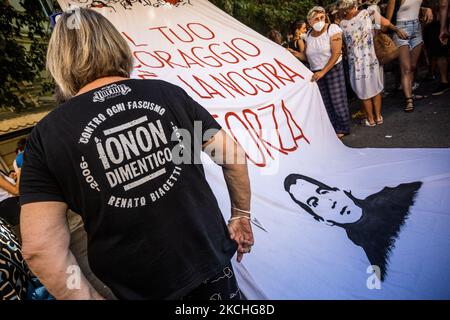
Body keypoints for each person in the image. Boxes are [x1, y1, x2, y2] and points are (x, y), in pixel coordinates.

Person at [19, 8, 253, 300]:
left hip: (140, 291)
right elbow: (231, 154)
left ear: (58, 62)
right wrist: (241, 215)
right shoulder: (166, 95)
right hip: (213, 271)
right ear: (115, 45)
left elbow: (41, 248)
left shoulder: (46, 136)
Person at [284, 173, 422, 281]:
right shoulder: (374, 256)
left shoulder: (397, 195)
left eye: (323, 192)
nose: (330, 202)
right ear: (323, 220)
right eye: (315, 203)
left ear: (341, 190)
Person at [338, 0, 408, 126]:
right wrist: (396, 30)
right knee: (374, 88)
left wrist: (392, 30)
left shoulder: (343, 23)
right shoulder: (367, 13)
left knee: (364, 91)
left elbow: (345, 45)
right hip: (369, 59)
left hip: (357, 63)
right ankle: (378, 117)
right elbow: (385, 23)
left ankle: (371, 120)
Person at [290, 6, 350, 138]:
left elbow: (336, 53)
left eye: (322, 17)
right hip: (316, 72)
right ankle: (333, 128)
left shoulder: (333, 29)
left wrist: (323, 72)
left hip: (332, 68)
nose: (320, 20)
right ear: (310, 22)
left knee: (337, 100)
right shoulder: (309, 35)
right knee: (325, 103)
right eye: (316, 19)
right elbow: (307, 57)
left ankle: (343, 128)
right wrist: (292, 53)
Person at [386, 0, 433, 111]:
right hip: (401, 29)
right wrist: (396, 30)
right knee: (406, 68)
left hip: (417, 28)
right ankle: (408, 100)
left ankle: (410, 93)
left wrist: (427, 9)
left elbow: (418, 5)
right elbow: (387, 21)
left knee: (412, 66)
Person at [423, 0, 449, 96]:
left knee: (439, 53)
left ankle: (444, 81)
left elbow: (443, 4)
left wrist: (443, 27)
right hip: (437, 20)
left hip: (438, 20)